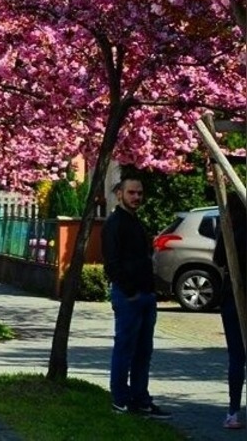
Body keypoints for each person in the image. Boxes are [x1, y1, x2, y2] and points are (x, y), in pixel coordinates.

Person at [102, 175, 171, 418]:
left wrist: (151, 290)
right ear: (120, 193)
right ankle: (120, 398)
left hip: (146, 295)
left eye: (140, 193)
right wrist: (129, 291)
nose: (137, 197)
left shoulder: (137, 222)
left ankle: (141, 398)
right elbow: (112, 263)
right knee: (125, 348)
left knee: (144, 350)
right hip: (128, 296)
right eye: (132, 193)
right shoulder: (114, 224)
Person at [214, 192, 247, 431]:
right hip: (235, 295)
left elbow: (218, 259)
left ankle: (233, 411)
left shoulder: (228, 228)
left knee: (236, 357)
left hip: (232, 298)